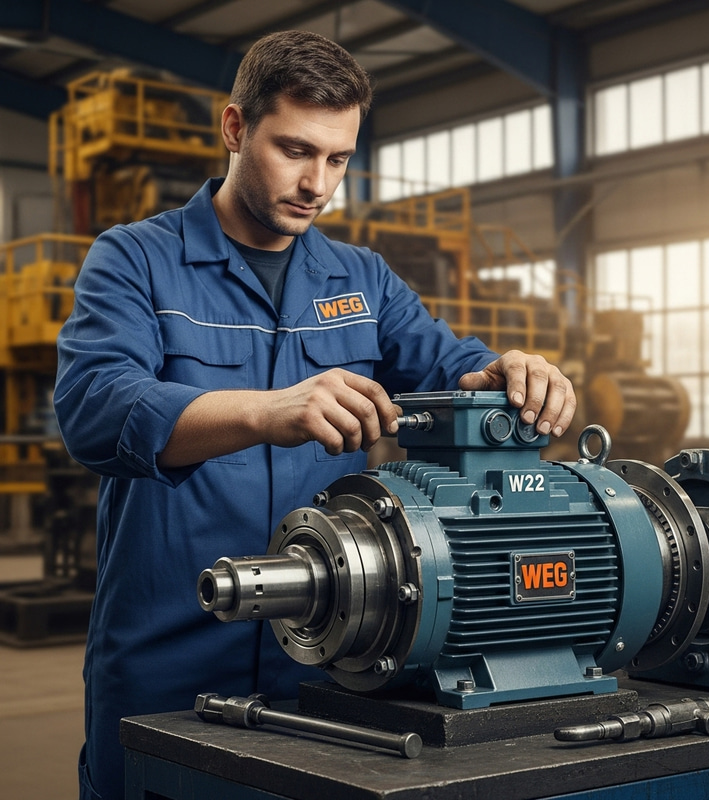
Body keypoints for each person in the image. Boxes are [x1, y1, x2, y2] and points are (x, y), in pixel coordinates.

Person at [54, 29, 576, 800]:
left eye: (338, 158)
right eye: (295, 150)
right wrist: (268, 411)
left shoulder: (359, 278)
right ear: (235, 128)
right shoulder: (136, 259)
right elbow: (96, 408)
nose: (317, 182)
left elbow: (446, 364)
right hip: (169, 655)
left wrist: (508, 369)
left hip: (328, 658)